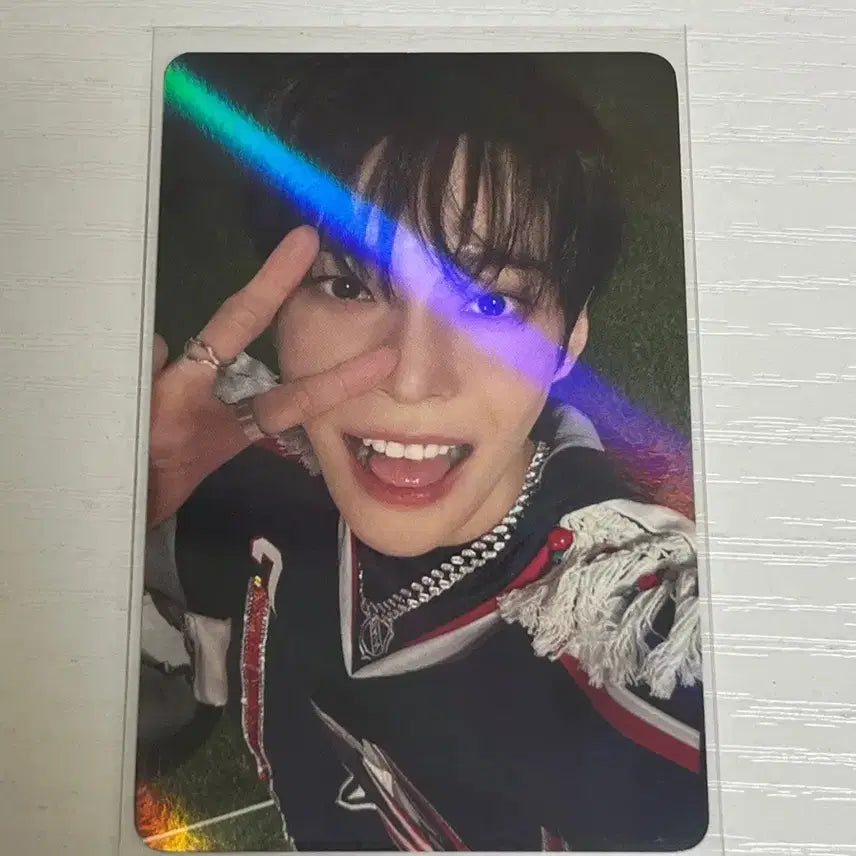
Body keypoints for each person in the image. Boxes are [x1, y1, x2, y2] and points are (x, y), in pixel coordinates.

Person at [142, 54, 708, 851]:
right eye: (349, 286)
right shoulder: (228, 471)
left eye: (490, 303)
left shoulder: (637, 627)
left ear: (568, 342)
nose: (412, 380)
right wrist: (114, 516)